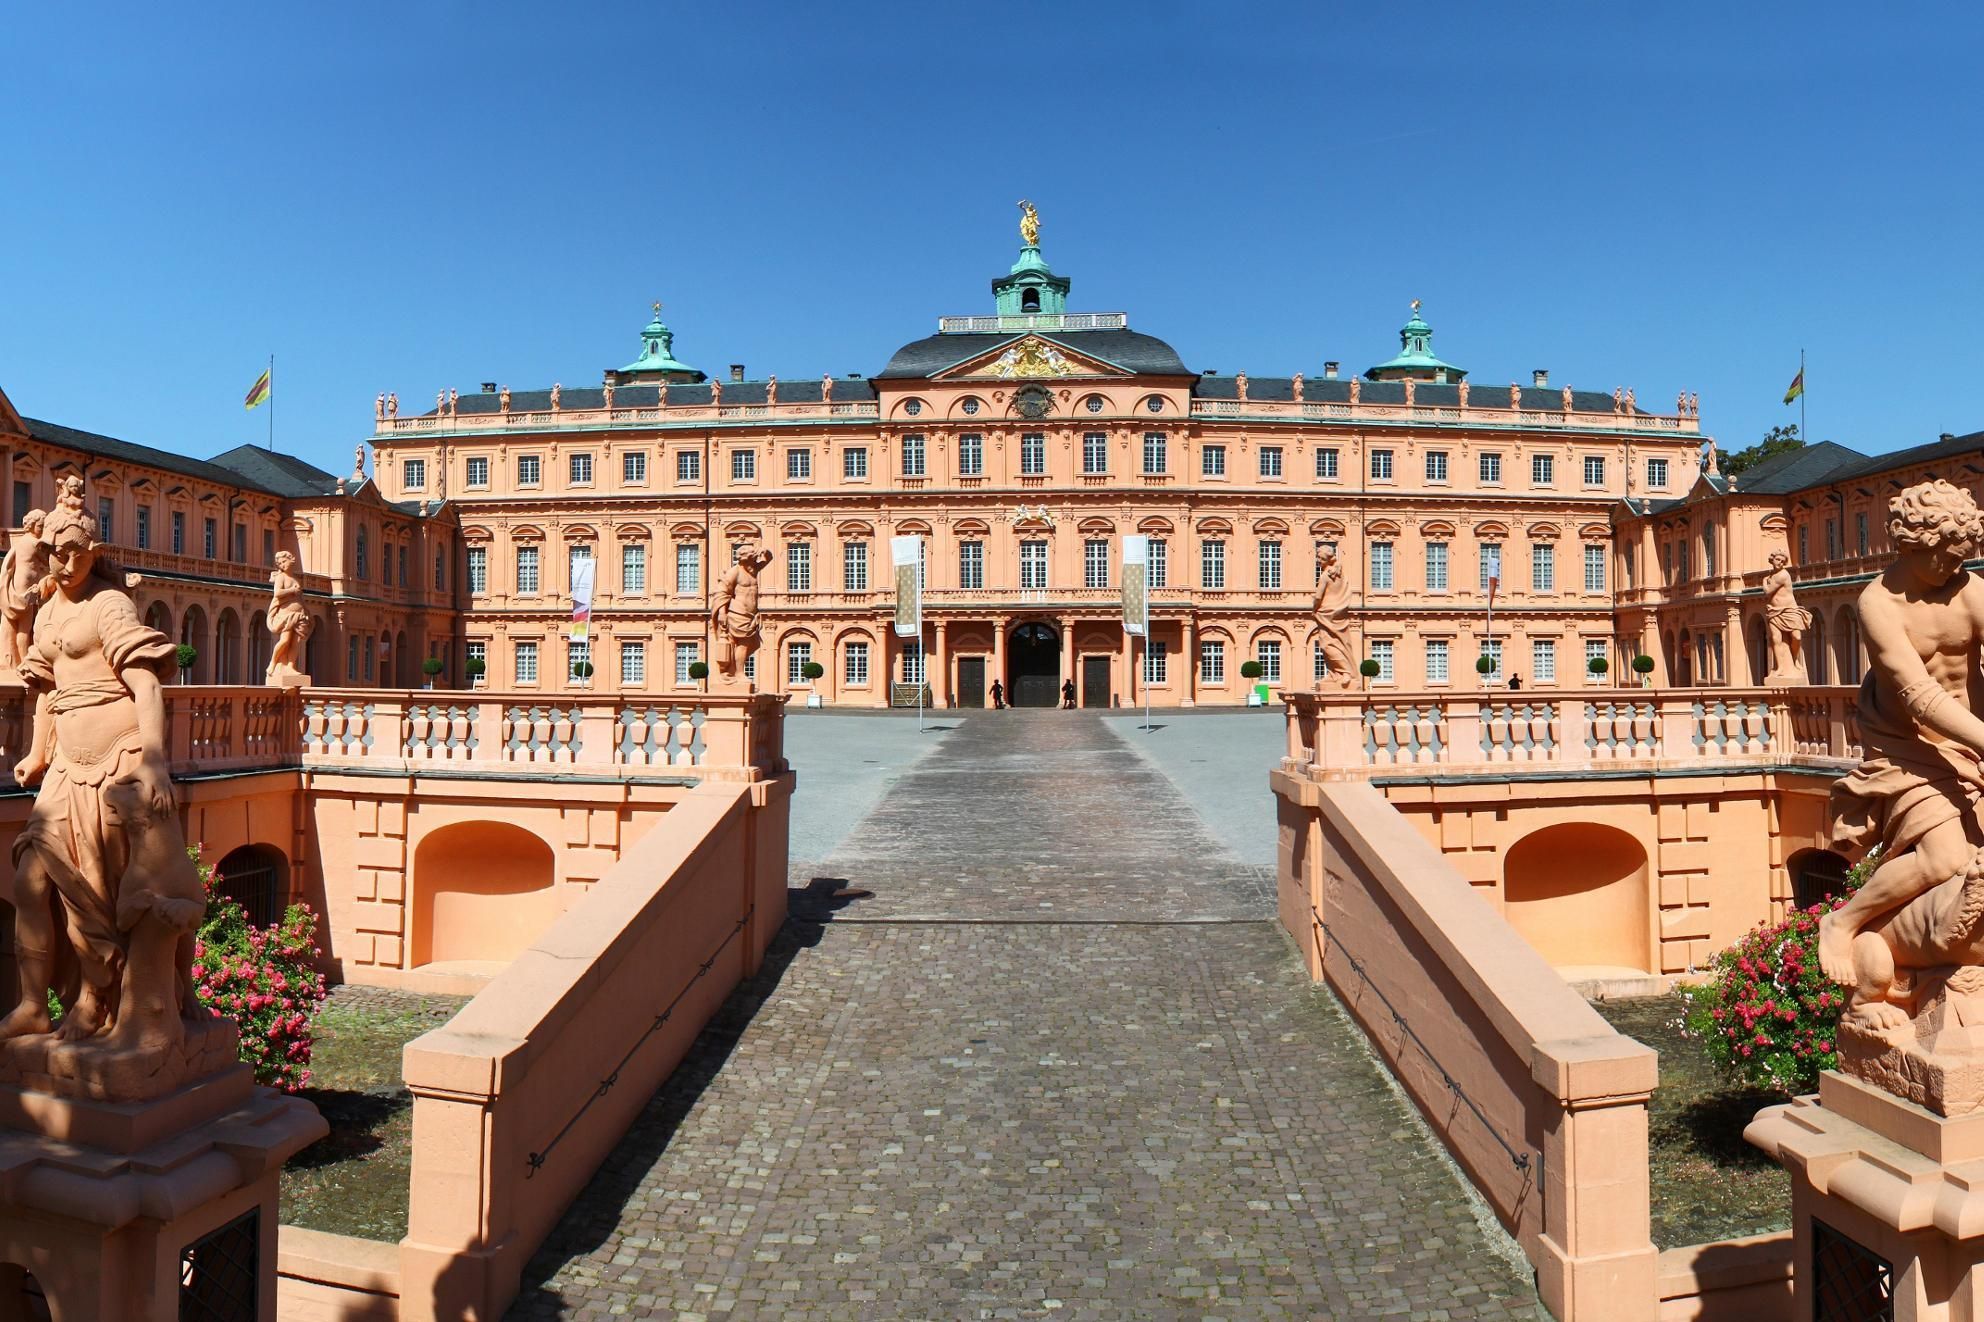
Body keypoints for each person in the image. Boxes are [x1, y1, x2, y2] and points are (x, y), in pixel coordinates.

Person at [0, 498, 187, 1043]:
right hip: (65, 765)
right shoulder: (49, 611)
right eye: (56, 552)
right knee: (32, 880)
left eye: (75, 552)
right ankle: (34, 1004)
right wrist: (36, 753)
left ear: (94, 552)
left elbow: (148, 685)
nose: (63, 562)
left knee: (103, 890)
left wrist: (154, 761)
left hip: (118, 756)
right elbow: (47, 693)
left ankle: (94, 1000)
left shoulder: (110, 606)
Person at [1820, 480, 1984, 989]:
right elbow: (1919, 695)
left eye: (1966, 557)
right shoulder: (1879, 604)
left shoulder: (1969, 589)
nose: (1956, 568)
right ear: (1916, 545)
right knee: (1945, 858)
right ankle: (1841, 922)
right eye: (1948, 558)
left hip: (1971, 741)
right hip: (1906, 746)